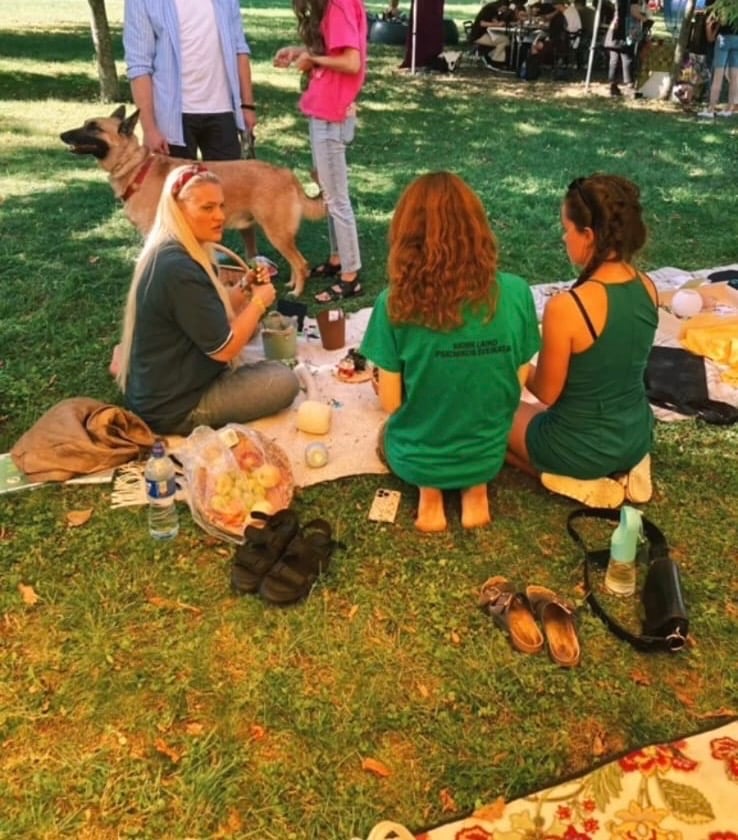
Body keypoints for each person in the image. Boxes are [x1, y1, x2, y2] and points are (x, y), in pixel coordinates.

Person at [360, 172, 540, 532]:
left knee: (385, 436)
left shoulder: (393, 303)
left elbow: (392, 403)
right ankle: (475, 492)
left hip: (415, 458)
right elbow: (515, 383)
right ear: (477, 228)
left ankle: (430, 496)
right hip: (486, 455)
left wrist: (387, 381)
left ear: (406, 235)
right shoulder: (517, 292)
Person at [507, 174, 658, 509]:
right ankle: (627, 469)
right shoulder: (647, 285)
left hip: (577, 448)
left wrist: (516, 362)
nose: (564, 237)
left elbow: (546, 393)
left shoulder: (567, 307)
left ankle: (563, 477)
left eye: (567, 228)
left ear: (589, 236)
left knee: (490, 412)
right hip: (636, 434)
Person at [114, 164, 300, 435]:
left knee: (257, 345)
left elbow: (208, 308)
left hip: (164, 389)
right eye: (207, 208)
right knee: (284, 381)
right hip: (175, 407)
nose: (220, 216)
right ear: (178, 210)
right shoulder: (178, 270)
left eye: (221, 206)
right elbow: (224, 349)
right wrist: (259, 302)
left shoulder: (174, 251)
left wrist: (244, 288)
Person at [273, 0, 367, 303]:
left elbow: (351, 62)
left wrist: (313, 59)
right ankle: (338, 259)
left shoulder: (339, 5)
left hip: (332, 115)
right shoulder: (334, 6)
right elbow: (334, 53)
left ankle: (351, 277)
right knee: (329, 192)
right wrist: (301, 53)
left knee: (337, 199)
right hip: (326, 110)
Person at [123, 0, 257, 160]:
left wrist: (247, 106)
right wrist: (149, 129)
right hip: (172, 118)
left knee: (228, 177)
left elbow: (239, 49)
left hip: (222, 110)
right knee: (177, 177)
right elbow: (139, 66)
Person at [698, 5, 738, 118]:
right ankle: (729, 108)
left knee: (717, 76)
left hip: (723, 39)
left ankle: (711, 108)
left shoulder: (723, 4)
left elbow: (720, 21)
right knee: (735, 76)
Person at [604, 0, 649, 97]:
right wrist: (645, 19)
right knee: (627, 59)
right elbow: (633, 11)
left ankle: (613, 86)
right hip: (624, 32)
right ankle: (629, 86)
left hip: (614, 30)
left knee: (614, 60)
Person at [469, 0, 516, 71]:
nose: (504, 11)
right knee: (505, 40)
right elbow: (482, 23)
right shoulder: (489, 9)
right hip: (478, 35)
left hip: (486, 33)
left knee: (503, 40)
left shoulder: (494, 10)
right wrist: (497, 24)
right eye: (504, 9)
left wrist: (501, 23)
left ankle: (495, 58)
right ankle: (495, 60)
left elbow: (494, 20)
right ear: (502, 6)